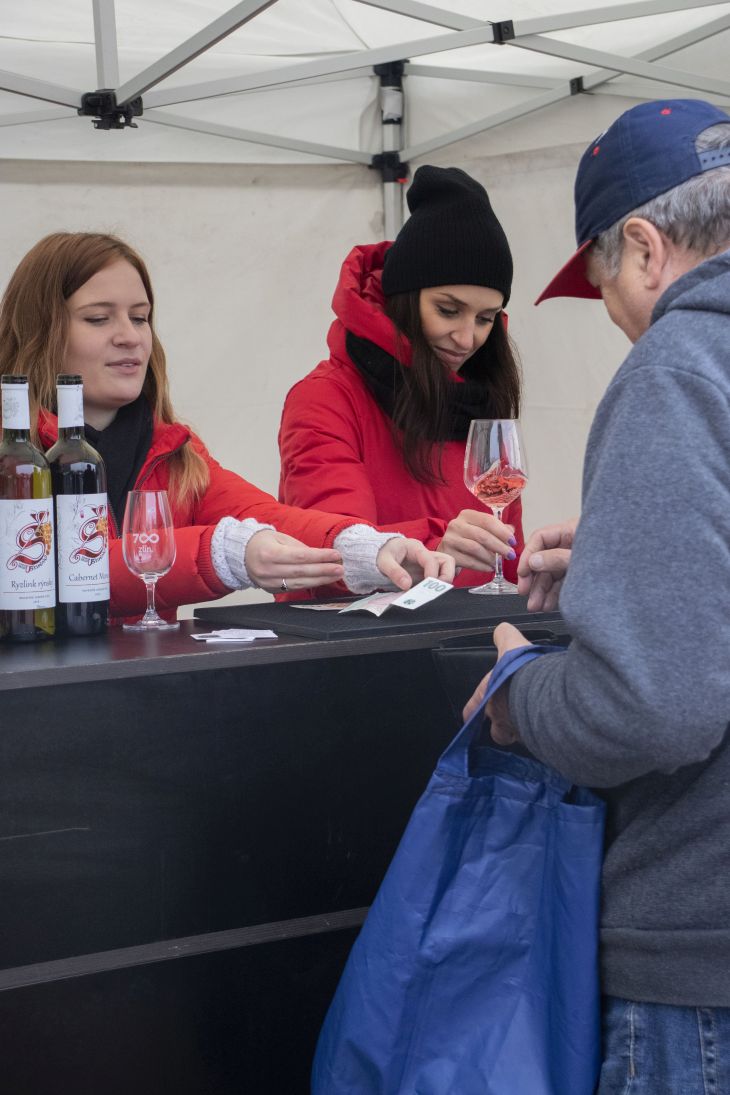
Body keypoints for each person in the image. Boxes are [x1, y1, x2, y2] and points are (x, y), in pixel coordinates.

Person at [464, 99, 730, 1093]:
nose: (617, 318)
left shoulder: (678, 366)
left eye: (606, 284)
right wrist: (643, 558)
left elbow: (650, 706)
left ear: (647, 249)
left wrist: (519, 693)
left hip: (700, 962)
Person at [0, 232, 453, 622]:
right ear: (39, 331)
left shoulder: (176, 452)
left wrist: (366, 549)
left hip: (139, 684)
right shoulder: (11, 458)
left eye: (140, 317)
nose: (130, 336)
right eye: (98, 318)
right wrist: (219, 553)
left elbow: (266, 519)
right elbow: (51, 571)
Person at [278, 165, 524, 599]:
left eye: (486, 319)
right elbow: (331, 548)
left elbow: (506, 559)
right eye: (448, 310)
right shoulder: (325, 398)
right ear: (404, 300)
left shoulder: (482, 392)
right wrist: (434, 545)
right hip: (359, 636)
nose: (467, 338)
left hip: (473, 633)